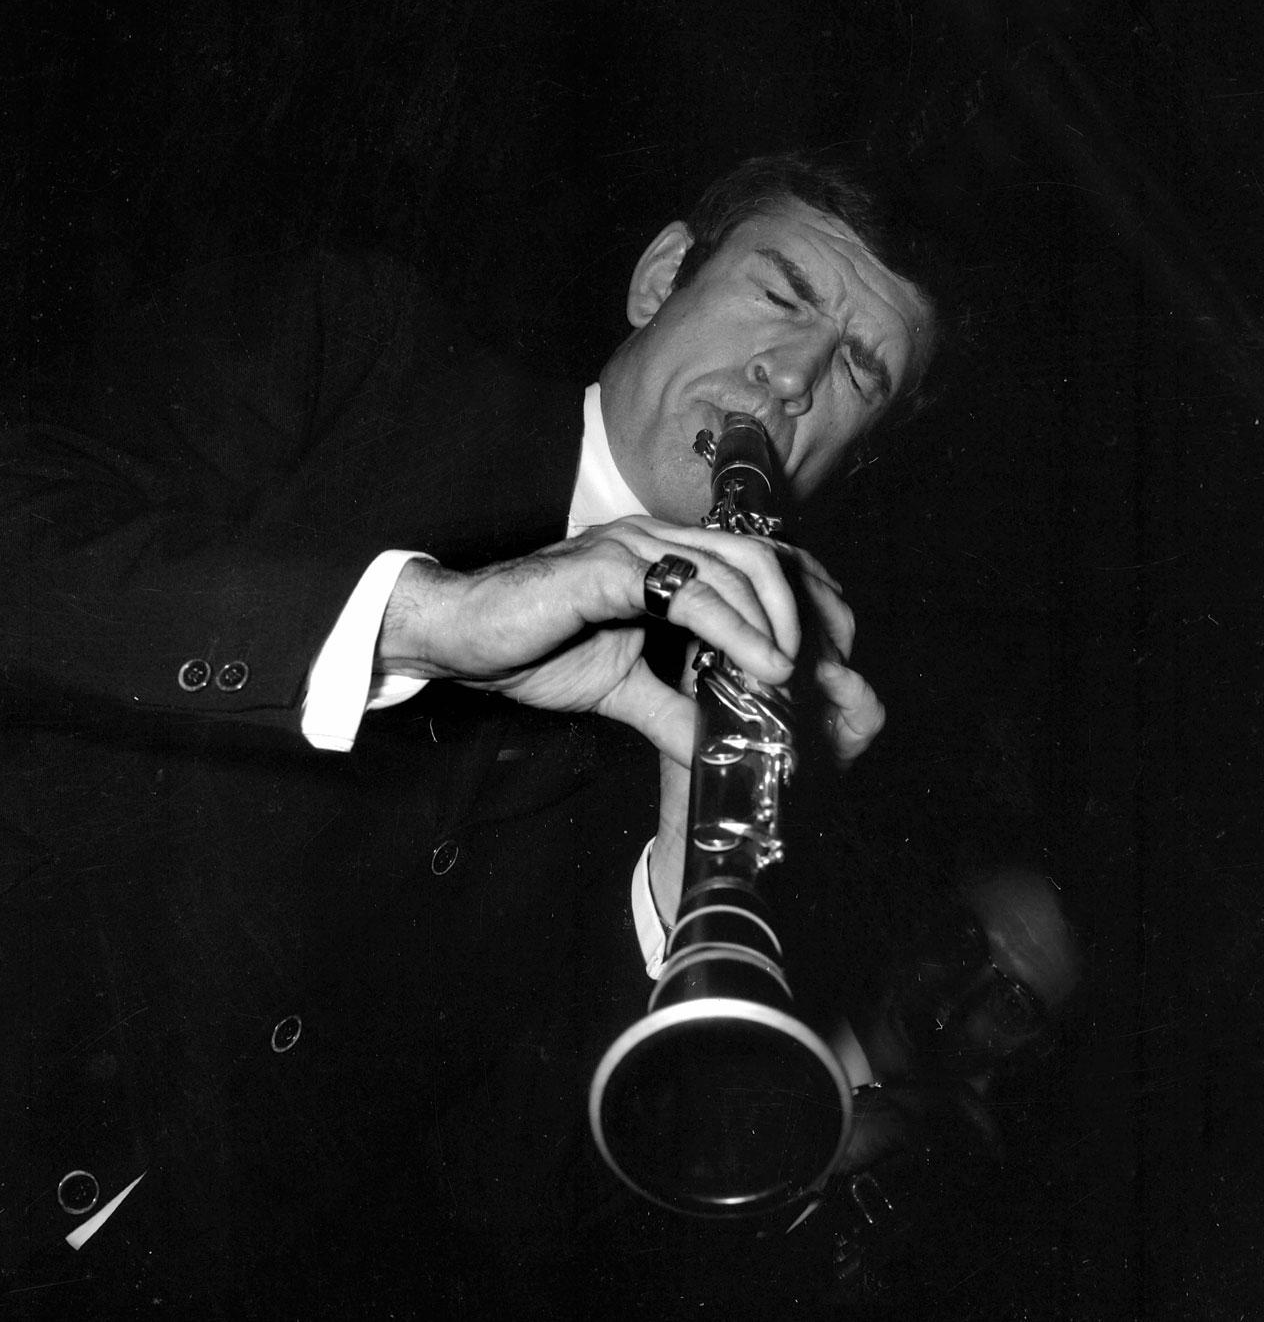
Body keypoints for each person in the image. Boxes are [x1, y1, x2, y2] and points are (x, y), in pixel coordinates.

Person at [1, 154, 938, 1317]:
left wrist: (685, 880)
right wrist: (427, 620)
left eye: (858, 369)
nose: (792, 380)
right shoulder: (361, 345)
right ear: (659, 279)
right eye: (782, 294)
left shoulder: (704, 719)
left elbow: (513, 1211)